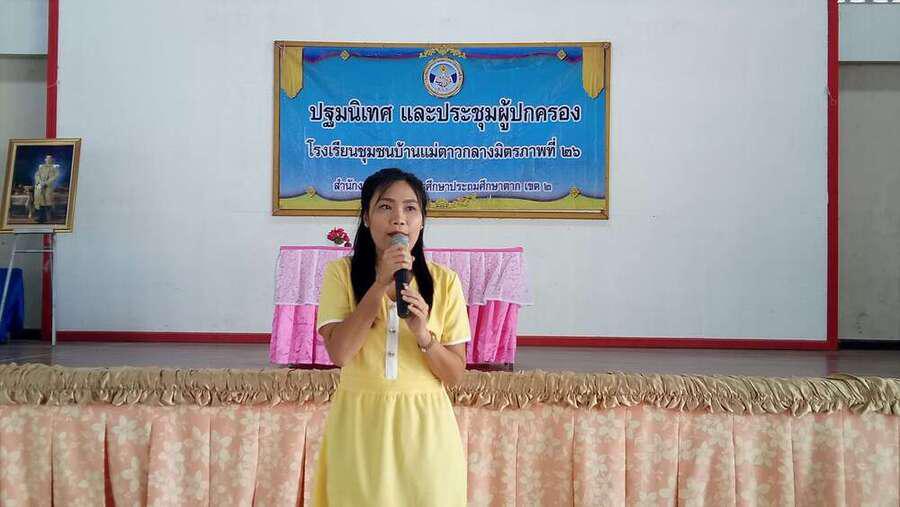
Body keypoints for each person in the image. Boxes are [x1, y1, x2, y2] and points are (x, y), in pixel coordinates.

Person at [312, 168, 470, 506]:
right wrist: (379, 284)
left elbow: (455, 375)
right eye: (385, 207)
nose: (399, 218)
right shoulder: (339, 274)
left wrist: (423, 335)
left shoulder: (445, 282)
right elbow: (339, 354)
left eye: (410, 208)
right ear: (366, 218)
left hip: (426, 428)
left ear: (422, 222)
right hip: (359, 424)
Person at [33, 155, 60, 223]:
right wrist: (39, 182)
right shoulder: (41, 167)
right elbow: (36, 175)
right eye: (47, 159)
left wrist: (46, 183)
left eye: (49, 159)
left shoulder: (55, 168)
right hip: (40, 184)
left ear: (52, 160)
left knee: (47, 199)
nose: (48, 160)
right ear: (45, 160)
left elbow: (55, 177)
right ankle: (40, 216)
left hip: (48, 185)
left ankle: (46, 217)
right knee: (38, 196)